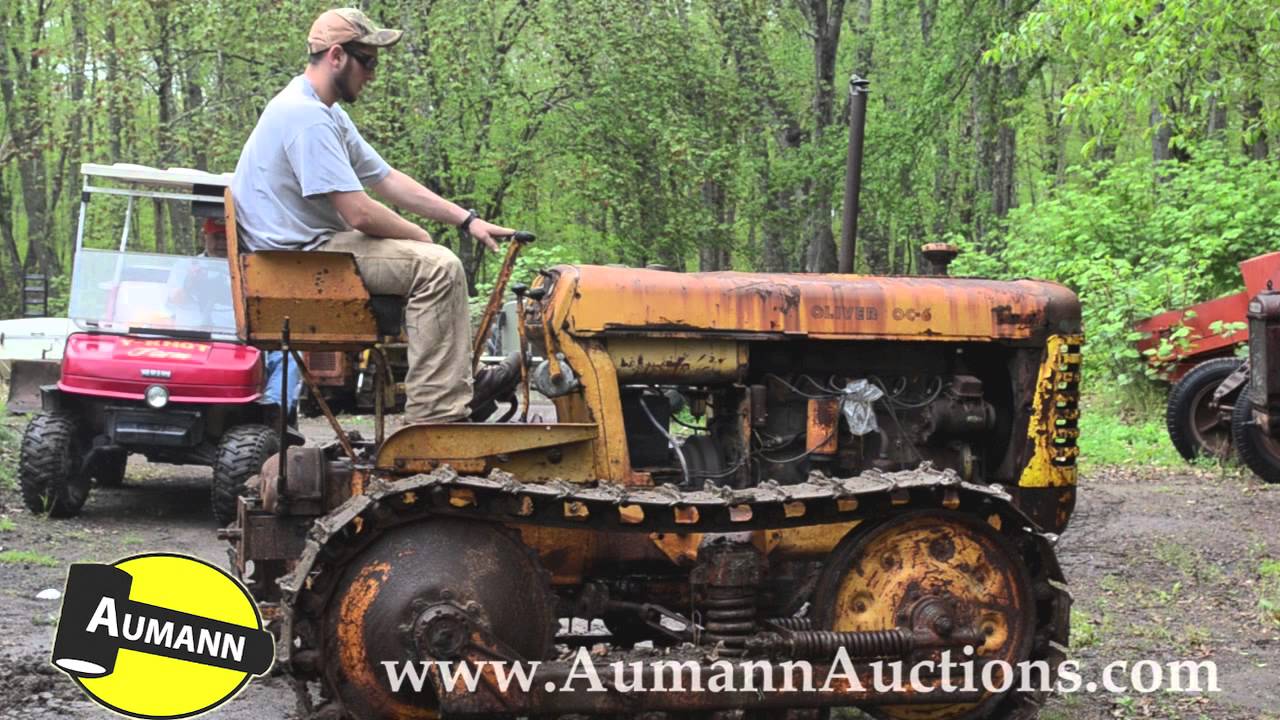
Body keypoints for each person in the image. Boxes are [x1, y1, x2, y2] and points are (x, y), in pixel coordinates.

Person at [231, 7, 518, 424]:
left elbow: (386, 179)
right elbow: (359, 212)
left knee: (433, 259)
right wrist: (419, 235)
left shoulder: (324, 110)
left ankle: (463, 384)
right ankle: (437, 415)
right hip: (294, 261)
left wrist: (466, 220)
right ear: (335, 56)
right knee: (438, 267)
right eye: (367, 61)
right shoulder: (305, 117)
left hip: (310, 249)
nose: (373, 73)